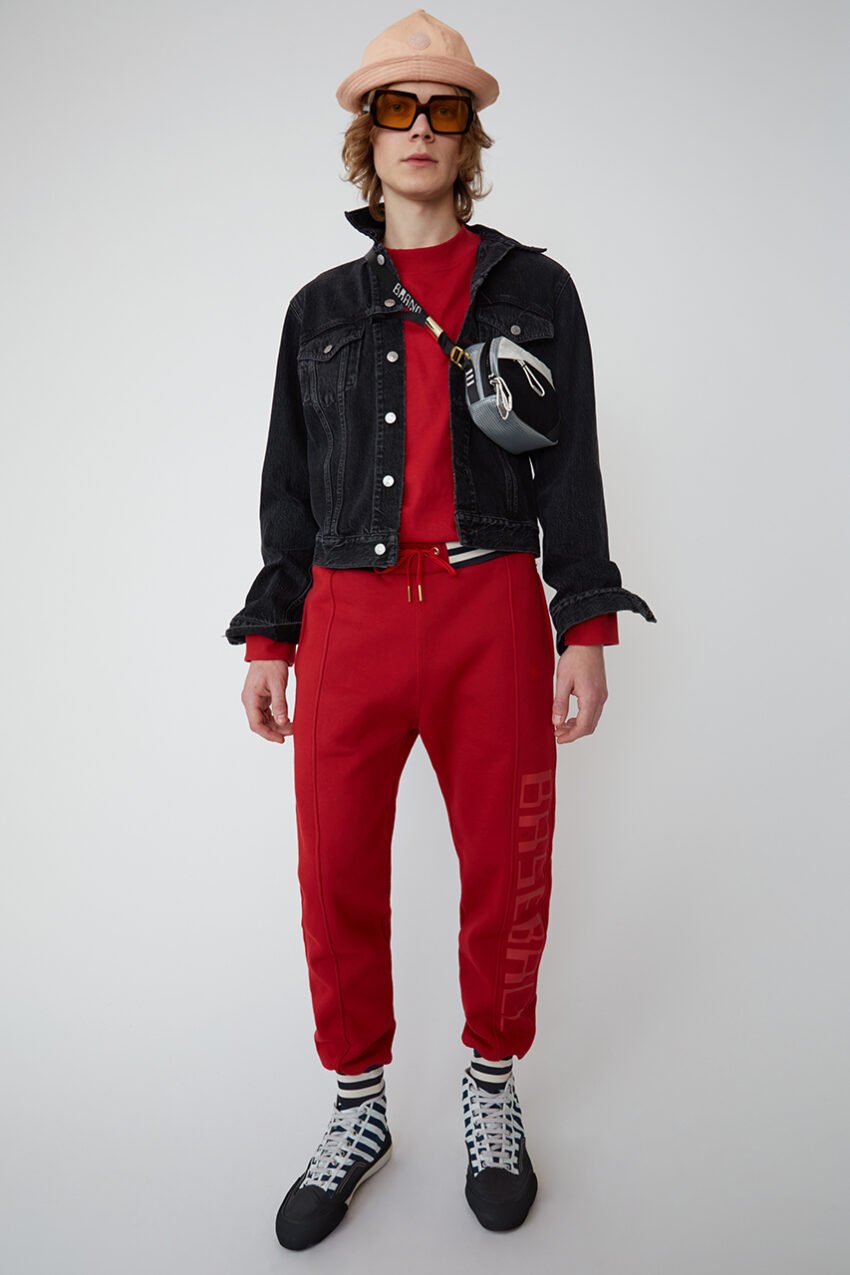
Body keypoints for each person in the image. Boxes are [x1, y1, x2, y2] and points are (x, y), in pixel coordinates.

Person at [223, 8, 656, 1250]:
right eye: (396, 109)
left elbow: (569, 464)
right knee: (333, 873)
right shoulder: (318, 308)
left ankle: (490, 1085)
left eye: (445, 108)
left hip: (488, 606)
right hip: (348, 615)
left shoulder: (535, 289)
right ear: (366, 139)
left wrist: (584, 621)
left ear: (469, 140)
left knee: (507, 869)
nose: (420, 129)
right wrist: (272, 636)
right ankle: (358, 1106)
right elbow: (288, 486)